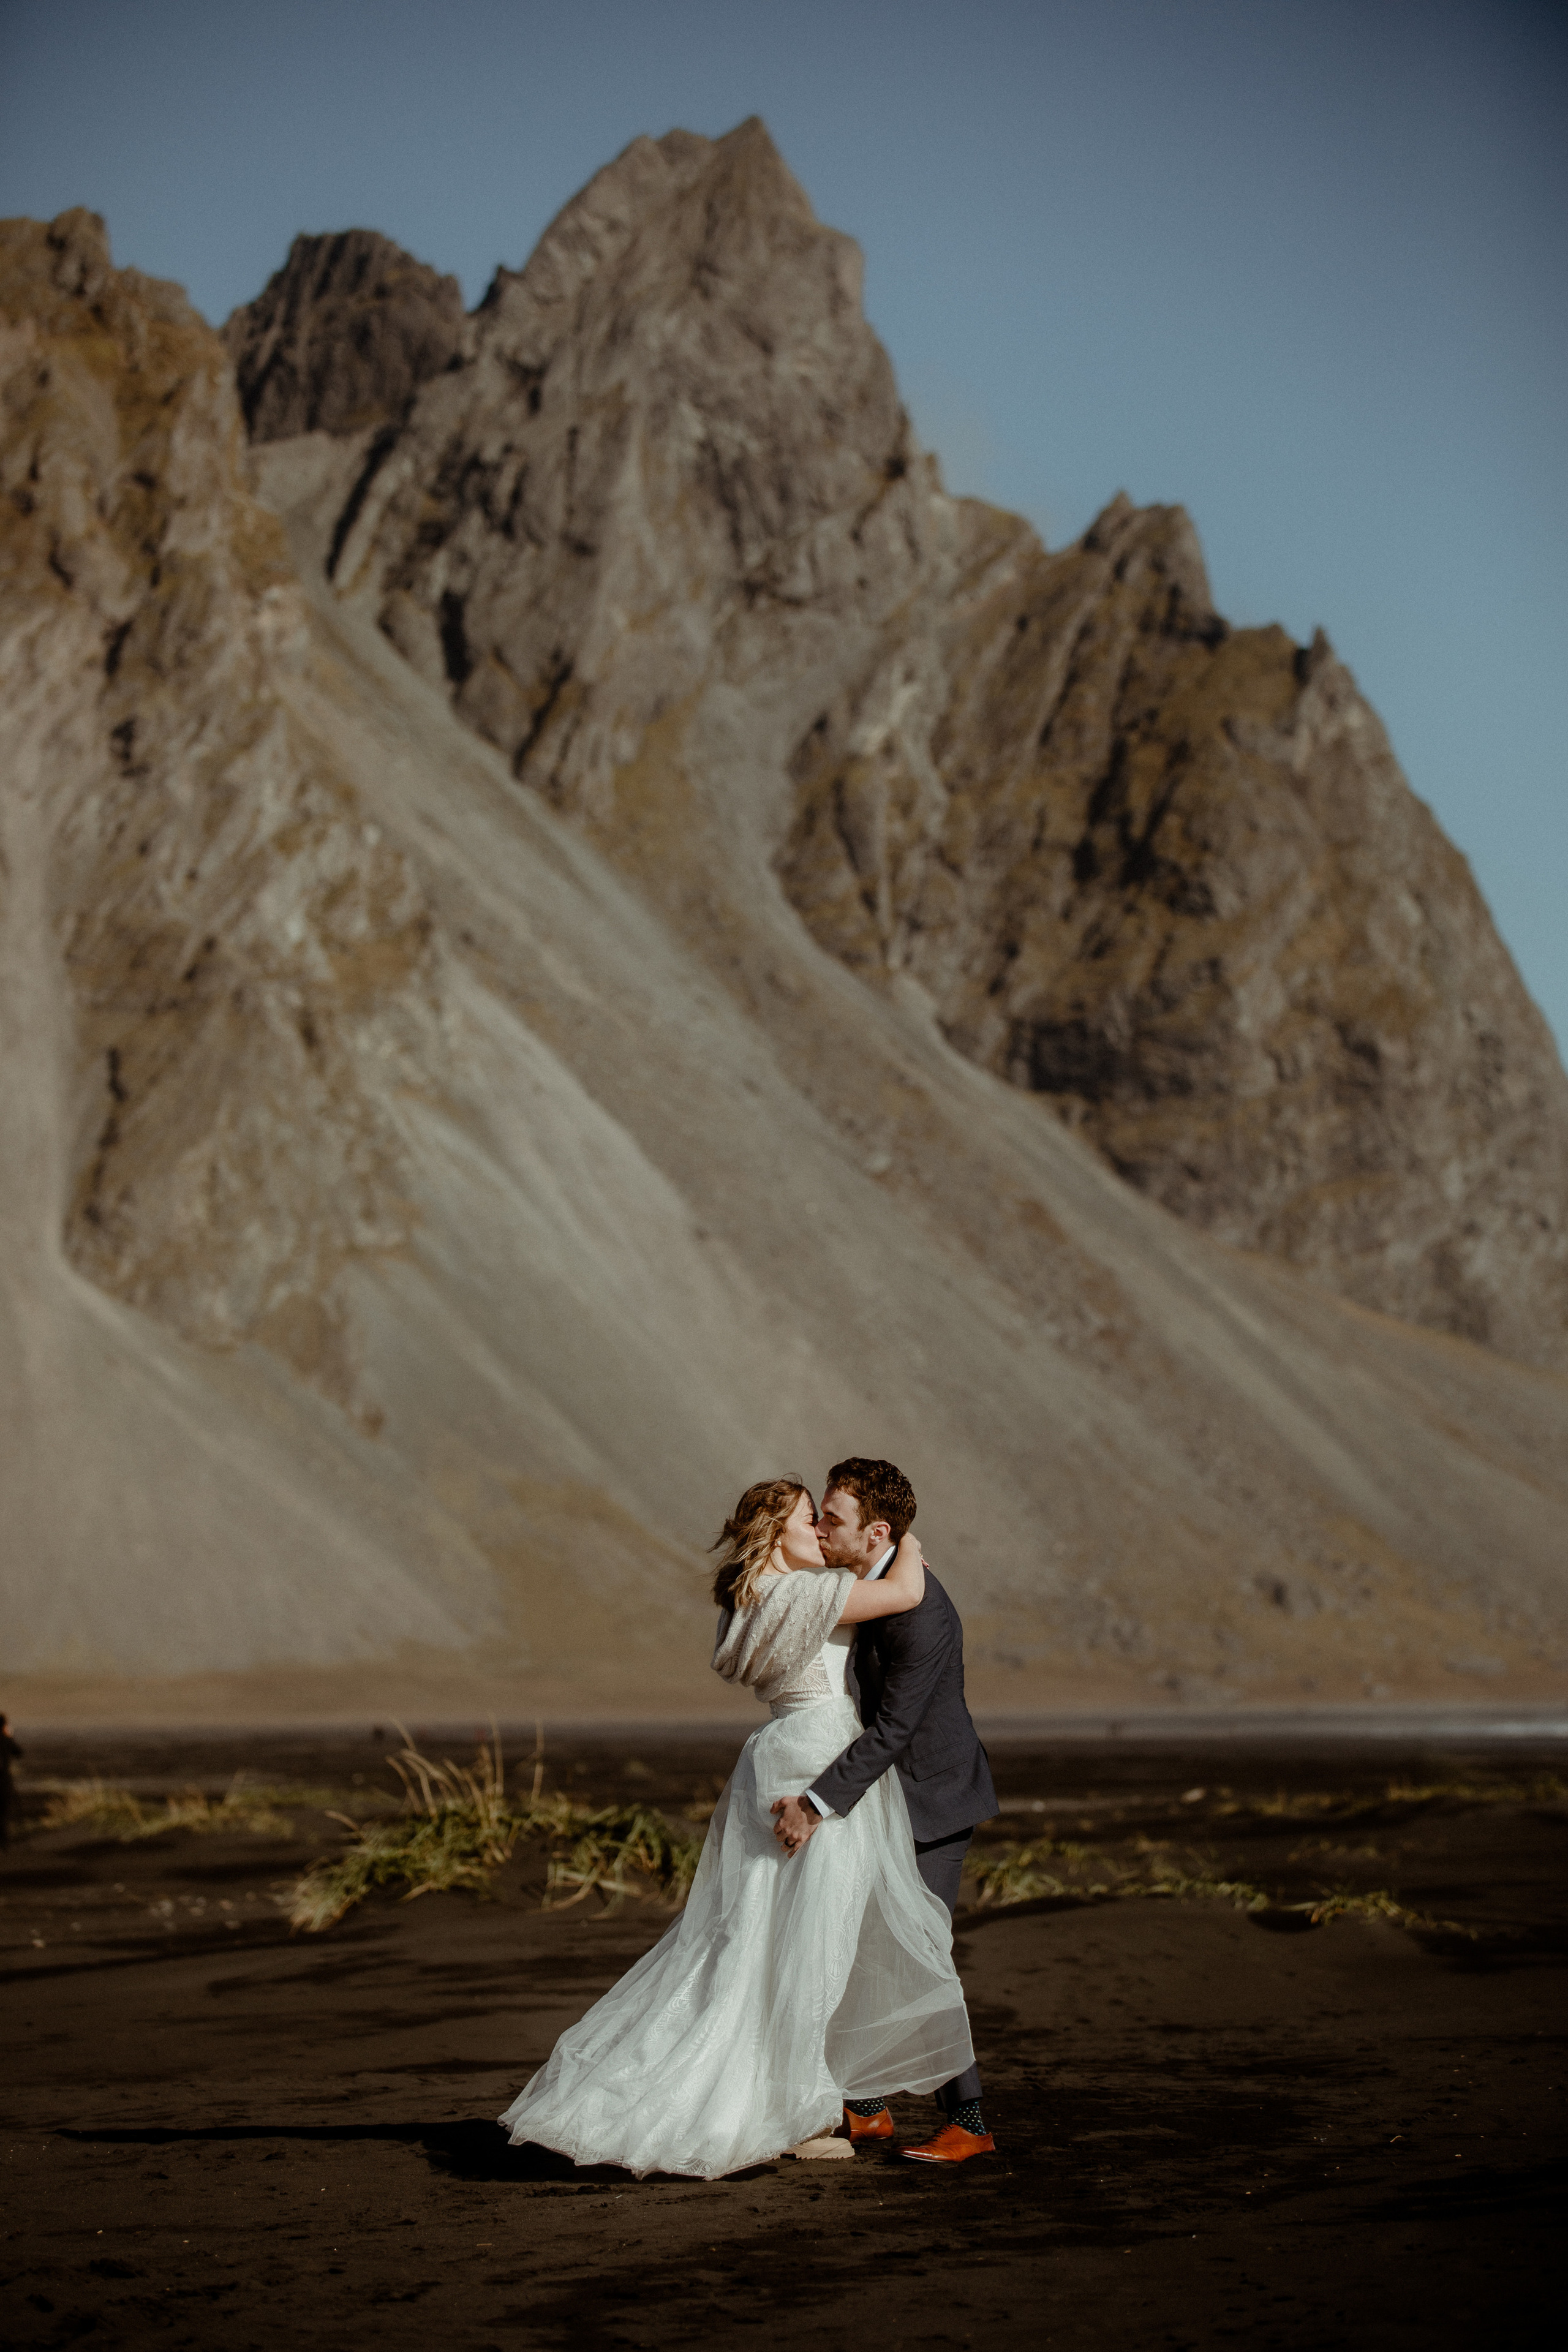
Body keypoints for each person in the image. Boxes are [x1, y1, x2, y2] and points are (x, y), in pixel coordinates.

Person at [498, 1476, 976, 2179]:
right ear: (778, 1532)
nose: (820, 1532)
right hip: (818, 1759)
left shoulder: (745, 1600)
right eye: (810, 1520)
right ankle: (800, 2111)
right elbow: (905, 1592)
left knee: (757, 1932)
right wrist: (907, 1542)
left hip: (776, 1754)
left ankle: (844, 2097)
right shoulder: (807, 1593)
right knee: (814, 1942)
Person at [769, 1458, 998, 2165]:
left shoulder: (921, 1613)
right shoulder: (873, 1579)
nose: (819, 1528)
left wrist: (813, 1806)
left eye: (831, 1519)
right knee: (852, 1943)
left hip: (932, 1801)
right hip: (880, 1798)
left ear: (876, 1533)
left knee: (920, 1956)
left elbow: (893, 1730)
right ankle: (866, 2109)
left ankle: (970, 2123)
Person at [0, 1714, 22, 1849]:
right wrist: (9, 1736)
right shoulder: (7, 1740)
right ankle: (4, 1842)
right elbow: (19, 1753)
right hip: (4, 1782)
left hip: (4, 1781)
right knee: (4, 1812)